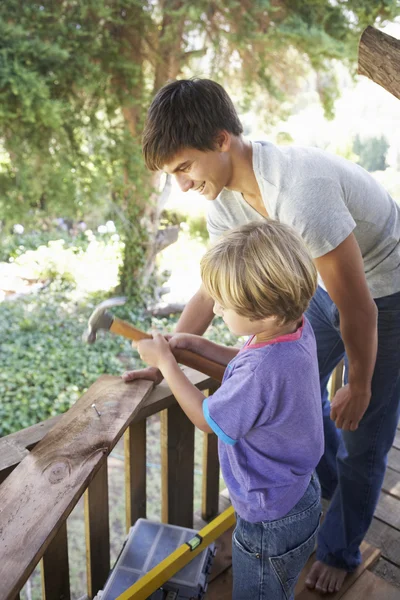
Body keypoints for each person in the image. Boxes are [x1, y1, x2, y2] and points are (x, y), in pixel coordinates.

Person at [123, 78, 400, 593]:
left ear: (222, 139)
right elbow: (215, 287)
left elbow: (358, 306)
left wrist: (359, 383)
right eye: (171, 174)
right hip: (314, 280)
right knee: (298, 394)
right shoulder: (224, 199)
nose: (181, 185)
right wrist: (168, 356)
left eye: (184, 167)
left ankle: (339, 548)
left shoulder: (300, 193)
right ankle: (313, 492)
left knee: (364, 434)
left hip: (387, 286)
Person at [136, 220, 323, 600]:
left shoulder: (260, 372)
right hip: (298, 492)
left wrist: (167, 365)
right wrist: (199, 345)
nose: (216, 309)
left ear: (266, 314)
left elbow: (208, 419)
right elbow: (248, 361)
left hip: (269, 518)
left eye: (224, 303)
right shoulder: (295, 329)